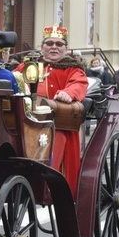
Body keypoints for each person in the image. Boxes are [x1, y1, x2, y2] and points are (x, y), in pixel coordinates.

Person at [25, 25, 88, 196]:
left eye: (59, 44)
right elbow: (14, 78)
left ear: (66, 49)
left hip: (56, 123)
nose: (54, 47)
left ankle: (49, 183)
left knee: (57, 138)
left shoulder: (73, 68)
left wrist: (68, 93)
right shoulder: (30, 65)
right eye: (49, 43)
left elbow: (79, 84)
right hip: (26, 120)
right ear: (42, 47)